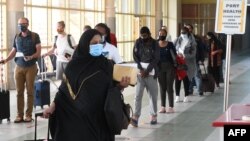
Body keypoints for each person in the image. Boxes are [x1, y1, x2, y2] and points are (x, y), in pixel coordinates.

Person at [43, 29, 130, 141]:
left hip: (101, 120)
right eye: (94, 43)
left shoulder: (107, 65)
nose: (98, 46)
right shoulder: (72, 67)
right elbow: (63, 93)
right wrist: (51, 107)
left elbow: (112, 89)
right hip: (77, 121)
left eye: (100, 43)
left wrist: (121, 86)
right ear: (84, 44)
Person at [0, 17, 41, 123]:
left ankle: (28, 115)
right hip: (18, 66)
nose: (21, 26)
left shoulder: (34, 36)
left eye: (23, 23)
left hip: (31, 67)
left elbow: (38, 52)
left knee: (30, 92)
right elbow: (14, 51)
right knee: (19, 92)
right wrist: (6, 60)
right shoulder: (16, 37)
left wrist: (31, 57)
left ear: (28, 24)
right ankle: (19, 115)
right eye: (19, 24)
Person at [130, 26, 160, 127]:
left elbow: (156, 58)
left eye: (145, 35)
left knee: (153, 95)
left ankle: (153, 115)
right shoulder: (138, 42)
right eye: (142, 35)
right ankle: (136, 116)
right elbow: (135, 56)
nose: (143, 37)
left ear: (149, 34)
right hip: (140, 73)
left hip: (151, 73)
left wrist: (147, 70)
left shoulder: (155, 43)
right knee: (138, 95)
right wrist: (141, 69)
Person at [174, 27, 197, 103]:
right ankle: (177, 96)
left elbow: (193, 54)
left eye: (184, 33)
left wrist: (184, 55)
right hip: (178, 63)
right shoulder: (177, 40)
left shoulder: (192, 41)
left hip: (187, 63)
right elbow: (173, 49)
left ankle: (186, 96)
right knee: (177, 79)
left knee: (186, 80)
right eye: (181, 33)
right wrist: (177, 54)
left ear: (188, 33)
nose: (182, 34)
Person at [157, 29, 176, 113]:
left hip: (169, 67)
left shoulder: (170, 44)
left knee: (169, 87)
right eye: (160, 33)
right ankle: (163, 106)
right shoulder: (156, 44)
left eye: (163, 34)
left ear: (166, 35)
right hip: (159, 68)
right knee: (162, 87)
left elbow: (174, 55)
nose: (161, 35)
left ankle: (171, 106)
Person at [185, 24, 205, 96]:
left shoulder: (197, 38)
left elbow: (201, 49)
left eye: (189, 28)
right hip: (186, 60)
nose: (188, 30)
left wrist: (201, 59)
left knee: (197, 75)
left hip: (195, 60)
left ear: (192, 29)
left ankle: (200, 90)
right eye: (186, 28)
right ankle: (190, 90)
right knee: (188, 76)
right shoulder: (182, 38)